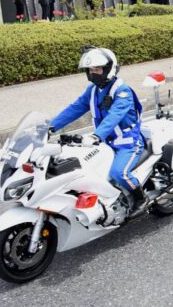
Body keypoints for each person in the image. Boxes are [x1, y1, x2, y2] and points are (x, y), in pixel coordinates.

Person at [49, 47, 148, 218]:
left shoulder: (123, 91)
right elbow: (75, 108)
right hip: (104, 143)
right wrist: (50, 127)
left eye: (98, 69)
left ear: (109, 68)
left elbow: (114, 117)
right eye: (91, 70)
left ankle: (141, 198)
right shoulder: (93, 90)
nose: (94, 73)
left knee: (119, 173)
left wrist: (96, 135)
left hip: (127, 143)